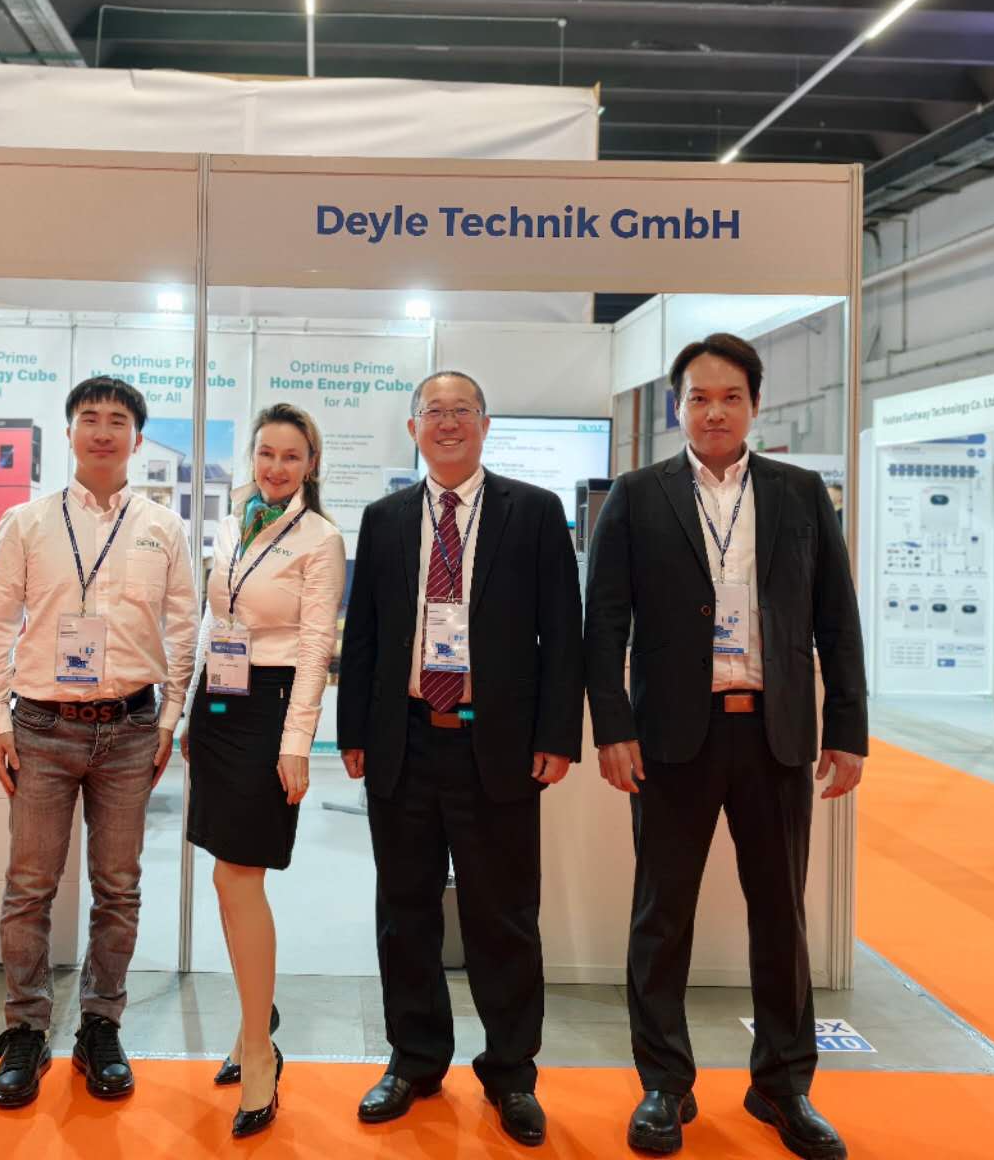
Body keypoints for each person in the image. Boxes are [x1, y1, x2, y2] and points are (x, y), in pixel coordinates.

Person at [584, 334, 867, 1160]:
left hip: (774, 736)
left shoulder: (800, 493)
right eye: (699, 398)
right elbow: (604, 623)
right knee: (660, 915)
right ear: (677, 408)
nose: (715, 412)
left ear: (755, 405)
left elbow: (836, 617)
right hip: (672, 738)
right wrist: (614, 728)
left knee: (782, 916)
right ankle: (664, 1085)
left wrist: (848, 728)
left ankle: (782, 1085)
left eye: (731, 397)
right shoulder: (637, 496)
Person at [338, 370, 583, 1148]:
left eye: (461, 411)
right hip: (404, 739)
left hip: (498, 744)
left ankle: (511, 1073)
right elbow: (363, 634)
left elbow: (563, 634)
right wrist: (353, 732)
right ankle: (414, 1061)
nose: (447, 423)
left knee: (502, 917)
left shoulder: (534, 512)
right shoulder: (384, 520)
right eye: (433, 412)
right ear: (413, 428)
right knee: (404, 911)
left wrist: (556, 736)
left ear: (485, 424)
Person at [0, 376, 197, 1109]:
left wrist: (169, 718)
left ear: (137, 437)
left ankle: (101, 1026)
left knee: (118, 888)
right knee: (29, 887)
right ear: (69, 432)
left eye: (118, 420)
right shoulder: (26, 522)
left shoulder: (162, 526)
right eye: (90, 418)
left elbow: (185, 627)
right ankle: (26, 1031)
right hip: (41, 727)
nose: (103, 431)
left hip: (130, 730)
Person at [184, 404, 346, 1137]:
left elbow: (315, 648)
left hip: (271, 709)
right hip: (220, 702)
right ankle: (255, 1022)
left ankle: (259, 1050)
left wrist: (296, 742)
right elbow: (215, 623)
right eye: (266, 453)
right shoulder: (234, 524)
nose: (276, 467)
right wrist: (190, 711)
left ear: (311, 464)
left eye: (291, 456)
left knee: (238, 877)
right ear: (252, 457)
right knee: (226, 877)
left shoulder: (321, 538)